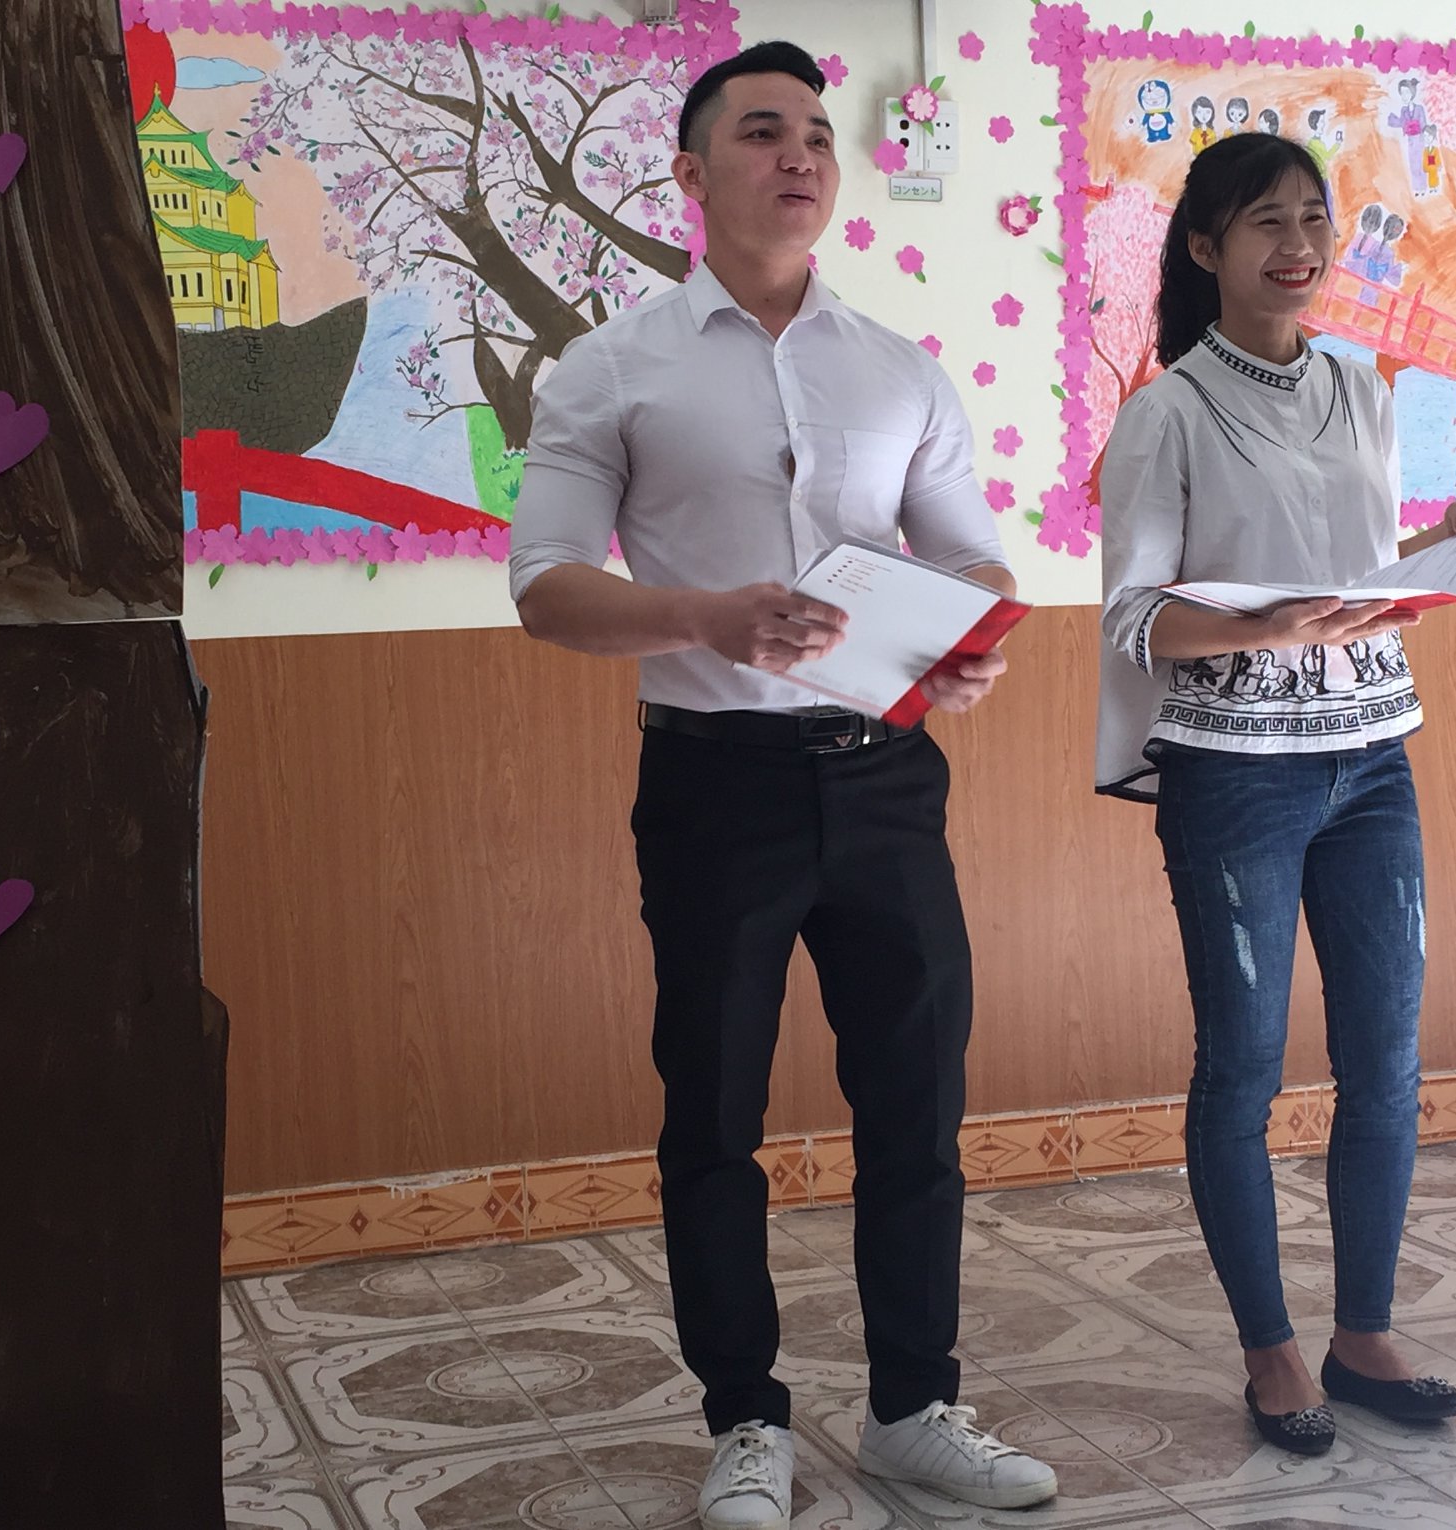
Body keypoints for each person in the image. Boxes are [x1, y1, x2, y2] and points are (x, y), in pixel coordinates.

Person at [507, 40, 1057, 1530]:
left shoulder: (898, 367)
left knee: (916, 1105)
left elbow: (969, 554)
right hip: (714, 789)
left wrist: (964, 648)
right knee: (715, 1115)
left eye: (817, 132)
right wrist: (705, 616)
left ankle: (913, 1407)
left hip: (888, 782)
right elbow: (547, 590)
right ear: (694, 174)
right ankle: (745, 1419)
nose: (801, 154)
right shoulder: (612, 367)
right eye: (762, 132)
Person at [1095, 133, 1456, 1456]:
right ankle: (1269, 1349)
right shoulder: (1165, 412)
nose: (1300, 245)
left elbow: (1349, 572)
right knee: (1245, 1064)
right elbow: (1134, 617)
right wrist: (1262, 627)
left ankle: (1362, 1333)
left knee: (1387, 1052)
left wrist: (1426, 557)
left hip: (1374, 757)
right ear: (1205, 247)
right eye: (1266, 221)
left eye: (1315, 218)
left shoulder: (1364, 389)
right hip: (1235, 773)